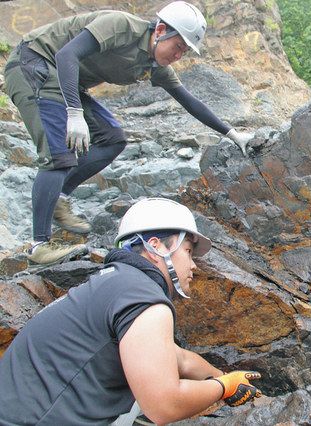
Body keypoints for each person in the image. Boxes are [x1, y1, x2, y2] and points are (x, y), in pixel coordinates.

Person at [3, 1, 254, 265]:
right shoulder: (121, 25)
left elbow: (188, 100)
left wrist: (233, 134)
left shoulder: (153, 65)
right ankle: (39, 246)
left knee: (113, 139)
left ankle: (58, 196)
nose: (179, 55)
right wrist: (74, 113)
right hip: (33, 63)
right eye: (178, 46)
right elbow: (67, 55)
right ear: (160, 30)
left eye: (185, 51)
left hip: (66, 81)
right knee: (59, 154)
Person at [0, 197, 262, 424]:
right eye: (188, 251)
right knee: (151, 396)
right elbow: (164, 405)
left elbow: (178, 358)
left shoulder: (113, 283)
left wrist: (227, 378)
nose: (193, 265)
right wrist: (221, 388)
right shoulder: (143, 298)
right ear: (157, 246)